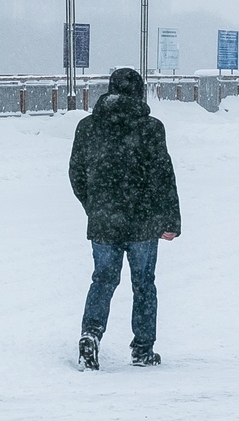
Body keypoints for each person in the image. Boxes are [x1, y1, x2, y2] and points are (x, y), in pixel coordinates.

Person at [69, 67, 181, 371]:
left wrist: (93, 206)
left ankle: (90, 335)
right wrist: (170, 219)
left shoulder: (88, 127)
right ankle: (143, 350)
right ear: (139, 93)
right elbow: (163, 176)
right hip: (142, 220)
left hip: (104, 219)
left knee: (103, 279)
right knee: (144, 283)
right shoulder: (151, 128)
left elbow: (76, 173)